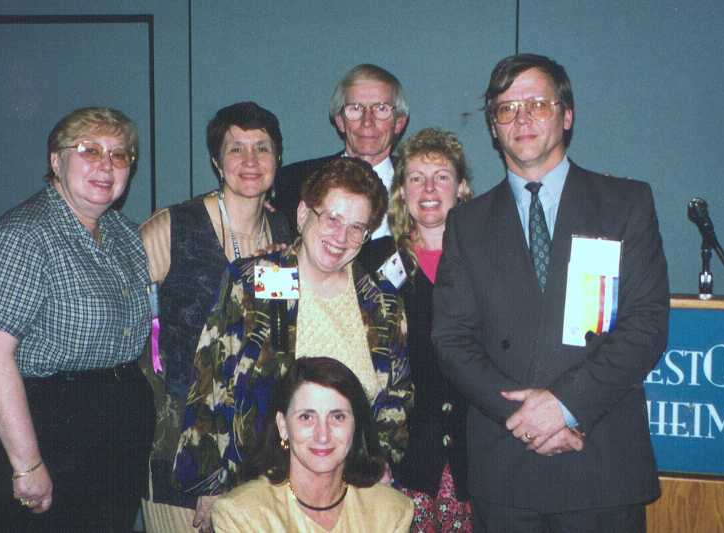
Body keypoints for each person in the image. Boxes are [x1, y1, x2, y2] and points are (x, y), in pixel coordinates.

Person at [432, 53, 670, 532]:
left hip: (600, 460)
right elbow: (452, 341)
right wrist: (526, 418)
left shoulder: (625, 204)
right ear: (493, 127)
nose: (521, 118)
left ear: (567, 115)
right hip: (507, 467)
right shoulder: (466, 224)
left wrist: (564, 407)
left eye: (538, 104)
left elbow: (645, 326)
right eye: (506, 108)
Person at [175, 157, 412, 529]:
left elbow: (397, 395)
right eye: (331, 219)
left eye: (356, 228)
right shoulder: (262, 281)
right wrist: (208, 482)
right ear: (303, 214)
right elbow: (211, 379)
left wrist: (381, 463)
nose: (341, 238)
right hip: (258, 490)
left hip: (347, 494)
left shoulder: (381, 303)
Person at [0, 107, 154, 531]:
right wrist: (27, 465)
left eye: (120, 154)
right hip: (42, 427)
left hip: (110, 430)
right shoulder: (24, 236)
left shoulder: (124, 234)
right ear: (56, 161)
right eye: (89, 150)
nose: (106, 165)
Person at [138, 101, 292, 532]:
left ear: (278, 159)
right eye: (235, 148)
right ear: (216, 162)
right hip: (179, 441)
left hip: (252, 444)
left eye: (262, 148)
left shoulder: (282, 234)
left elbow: (279, 341)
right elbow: (124, 326)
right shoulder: (173, 227)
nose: (250, 160)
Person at [362, 127, 473, 532]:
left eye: (441, 176)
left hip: (474, 454)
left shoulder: (485, 259)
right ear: (401, 192)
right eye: (416, 178)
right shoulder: (374, 262)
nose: (428, 188)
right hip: (402, 457)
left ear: (460, 188)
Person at [211, 357, 413, 532]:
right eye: (306, 417)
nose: (322, 435)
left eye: (338, 417)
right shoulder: (240, 514)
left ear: (356, 425)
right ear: (283, 426)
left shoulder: (391, 512)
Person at [274, 63, 409, 238]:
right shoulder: (292, 182)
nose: (367, 121)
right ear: (340, 121)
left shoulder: (423, 187)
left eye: (381, 108)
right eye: (356, 108)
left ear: (399, 123)